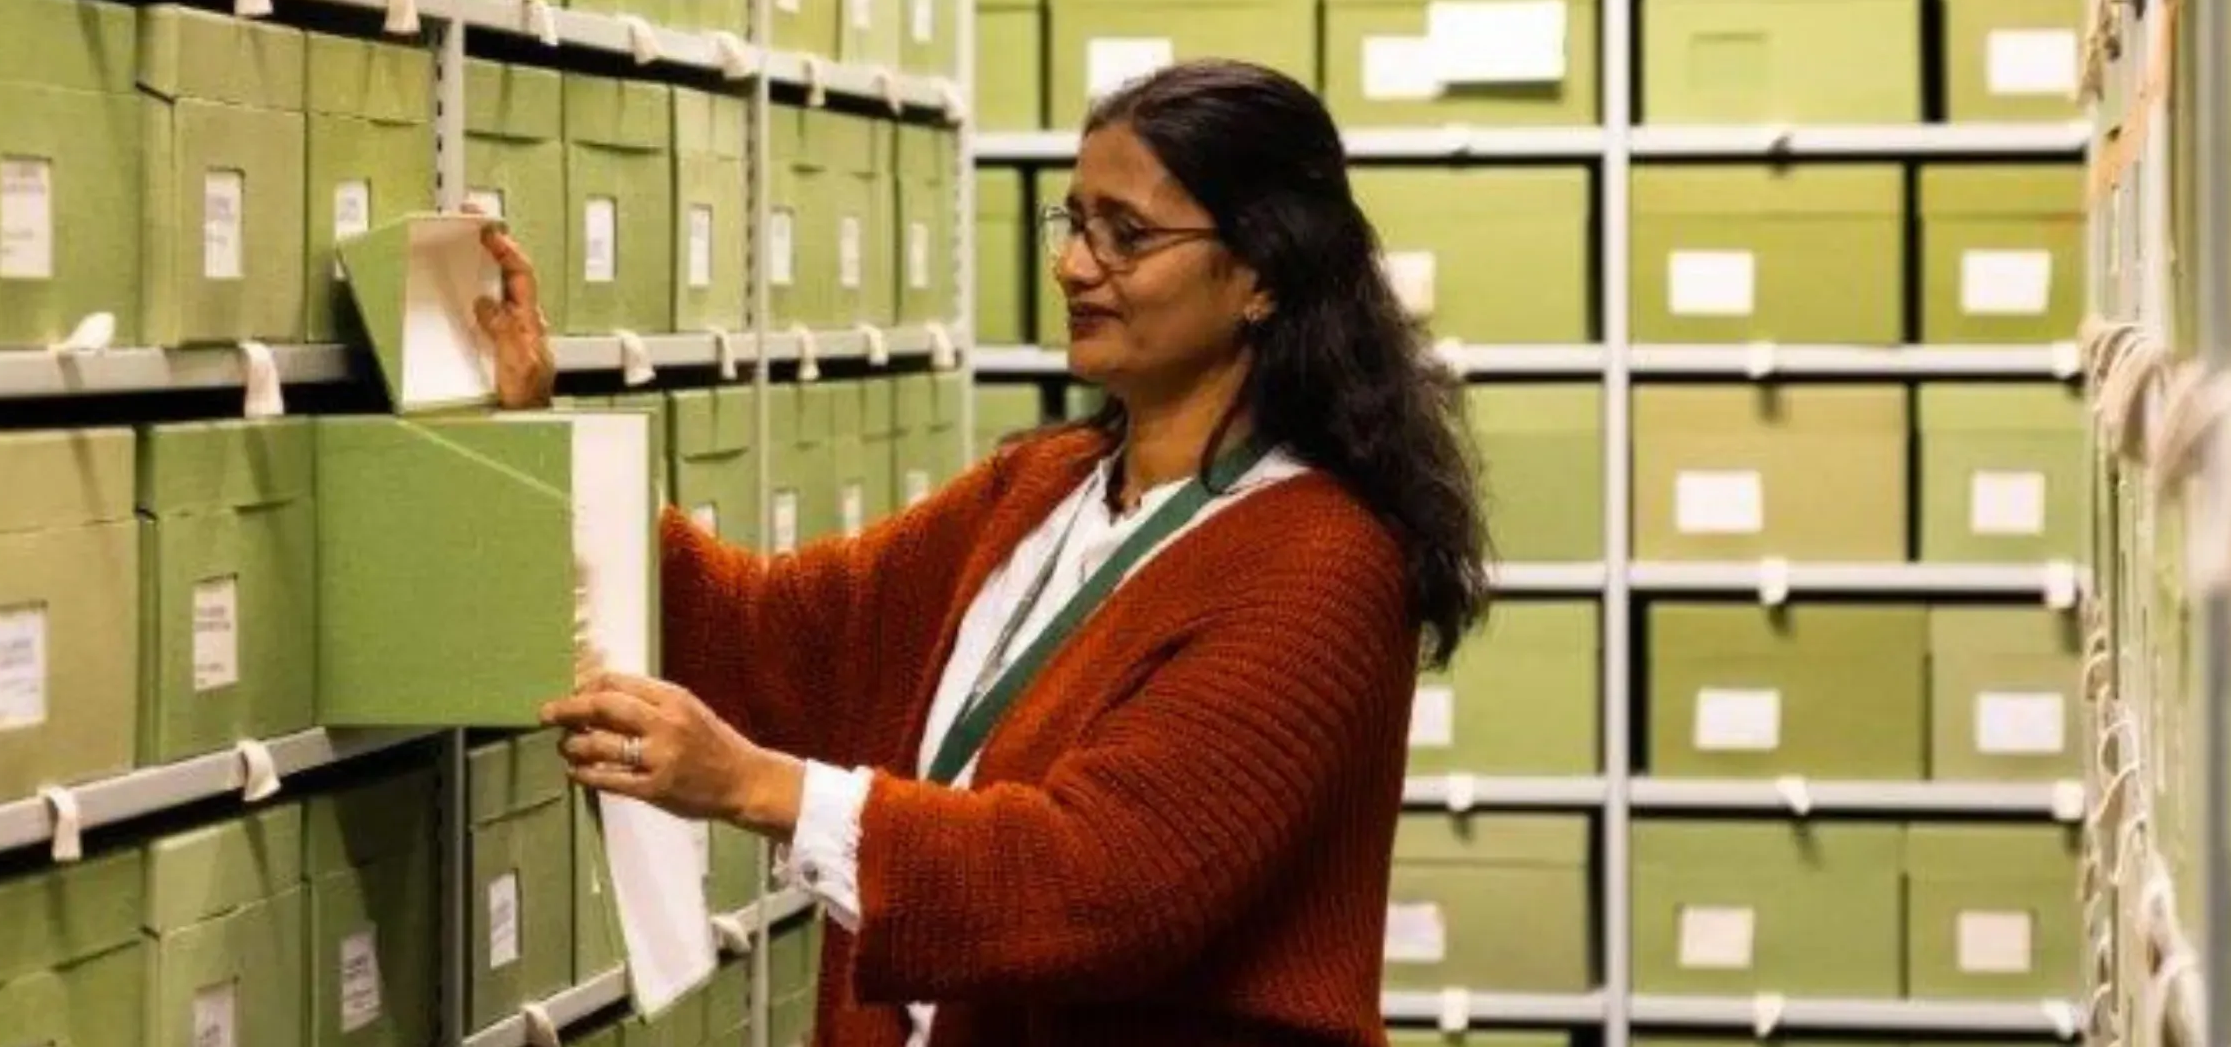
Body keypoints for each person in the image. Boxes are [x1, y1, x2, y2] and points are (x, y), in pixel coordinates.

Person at [475, 59, 1494, 1047]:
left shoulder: (1321, 563)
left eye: (1126, 235)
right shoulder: (1043, 488)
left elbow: (1101, 882)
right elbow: (774, 634)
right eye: (1074, 222)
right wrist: (540, 436)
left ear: (1261, 276)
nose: (1074, 265)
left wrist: (757, 785)